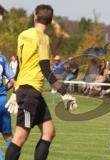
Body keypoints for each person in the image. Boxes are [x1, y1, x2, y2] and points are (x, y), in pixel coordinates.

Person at [4, 5, 77, 160]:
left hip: (30, 93)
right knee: (20, 137)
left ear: (35, 16)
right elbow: (45, 69)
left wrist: (16, 90)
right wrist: (64, 92)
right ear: (50, 21)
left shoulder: (23, 35)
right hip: (30, 94)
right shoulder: (43, 38)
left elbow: (20, 67)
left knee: (49, 132)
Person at [0, 53, 15, 160]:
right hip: (2, 100)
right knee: (8, 135)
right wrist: (4, 90)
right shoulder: (2, 58)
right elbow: (13, 80)